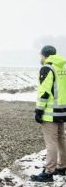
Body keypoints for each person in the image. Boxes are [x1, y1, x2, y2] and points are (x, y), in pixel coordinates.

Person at [31, 45, 66, 182]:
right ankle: (62, 167)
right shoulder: (62, 68)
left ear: (46, 55)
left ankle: (49, 172)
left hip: (50, 113)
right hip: (62, 111)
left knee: (51, 142)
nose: (40, 58)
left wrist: (39, 110)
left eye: (41, 56)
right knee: (61, 139)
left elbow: (44, 92)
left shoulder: (47, 68)